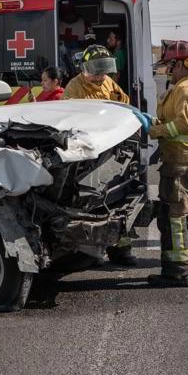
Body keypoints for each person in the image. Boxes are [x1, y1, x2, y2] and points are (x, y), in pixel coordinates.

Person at [60, 45, 137, 267]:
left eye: (104, 71)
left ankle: (121, 250)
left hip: (112, 152)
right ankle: (91, 252)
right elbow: (70, 120)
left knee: (119, 199)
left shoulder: (109, 84)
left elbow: (124, 104)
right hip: (90, 155)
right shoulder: (75, 87)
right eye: (96, 71)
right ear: (85, 68)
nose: (100, 76)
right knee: (92, 202)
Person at [146, 41, 188, 287]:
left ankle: (177, 272)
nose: (167, 70)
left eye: (169, 65)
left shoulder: (185, 89)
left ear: (180, 64)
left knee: (173, 218)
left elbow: (182, 125)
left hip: (181, 163)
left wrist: (153, 131)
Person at [62, 45, 130, 103]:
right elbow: (68, 110)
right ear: (84, 70)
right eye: (95, 74)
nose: (99, 78)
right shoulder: (74, 87)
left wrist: (119, 98)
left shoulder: (108, 81)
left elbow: (126, 102)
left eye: (102, 73)